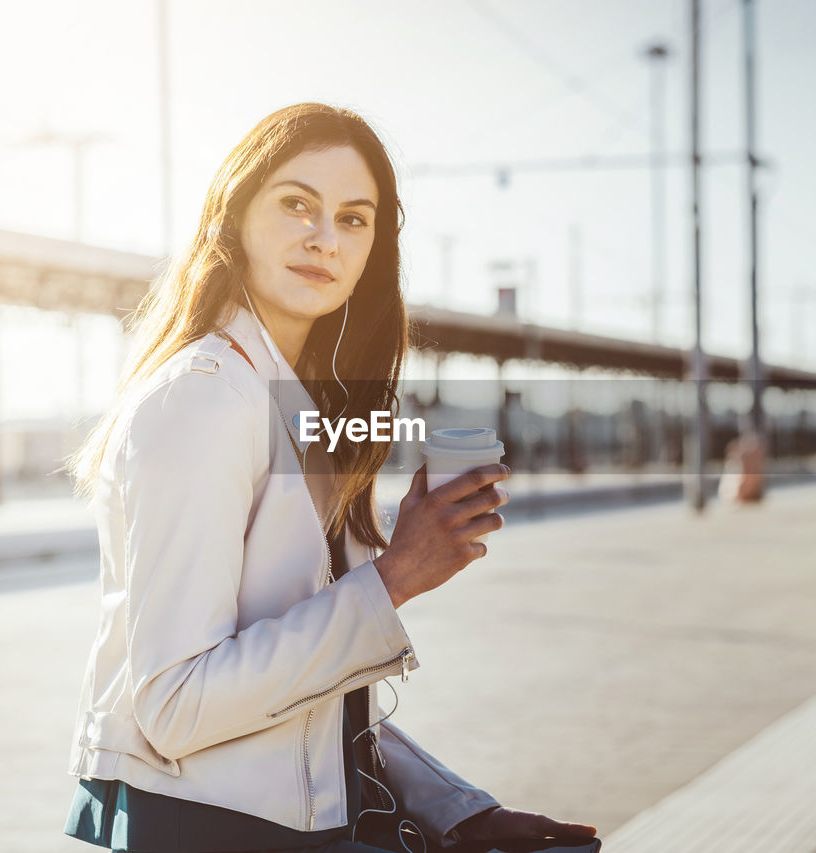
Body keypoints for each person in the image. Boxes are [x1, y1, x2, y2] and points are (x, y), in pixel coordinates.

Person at [59, 103, 598, 853]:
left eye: (354, 218)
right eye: (296, 204)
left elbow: (305, 705)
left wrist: (455, 808)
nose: (324, 237)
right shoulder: (205, 399)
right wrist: (395, 577)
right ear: (235, 213)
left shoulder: (289, 404)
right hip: (204, 832)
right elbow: (175, 705)